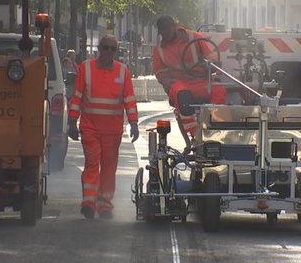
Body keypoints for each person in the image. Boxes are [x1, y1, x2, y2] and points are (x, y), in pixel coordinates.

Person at [68, 35, 139, 220]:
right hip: (90, 127)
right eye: (105, 48)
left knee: (108, 167)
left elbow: (129, 100)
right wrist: (72, 121)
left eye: (112, 49)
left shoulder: (123, 71)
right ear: (99, 48)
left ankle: (105, 204)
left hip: (112, 131)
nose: (108, 52)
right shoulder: (86, 68)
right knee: (92, 164)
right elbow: (77, 96)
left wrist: (134, 123)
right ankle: (89, 203)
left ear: (116, 52)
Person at [152, 15, 226, 135]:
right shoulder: (159, 49)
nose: (165, 35)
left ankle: (214, 123)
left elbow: (211, 57)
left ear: (174, 27)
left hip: (201, 81)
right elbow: (159, 71)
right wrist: (167, 82)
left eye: (167, 31)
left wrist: (211, 64)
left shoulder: (195, 37)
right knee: (181, 94)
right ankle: (194, 132)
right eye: (162, 33)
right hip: (179, 83)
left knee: (219, 89)